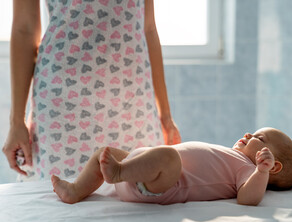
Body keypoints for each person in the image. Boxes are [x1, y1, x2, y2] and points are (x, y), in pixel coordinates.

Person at [2, 0, 181, 181]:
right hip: (64, 105)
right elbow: (24, 29)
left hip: (134, 106)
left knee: (142, 194)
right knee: (58, 199)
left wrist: (165, 115)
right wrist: (16, 121)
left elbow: (148, 28)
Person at [51, 127, 292, 206]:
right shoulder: (233, 155)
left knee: (170, 157)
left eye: (258, 139)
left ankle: (118, 172)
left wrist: (259, 172)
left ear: (273, 166)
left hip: (162, 184)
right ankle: (75, 191)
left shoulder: (248, 170)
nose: (249, 134)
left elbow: (247, 199)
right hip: (146, 170)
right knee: (105, 153)